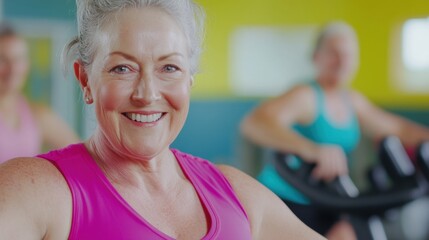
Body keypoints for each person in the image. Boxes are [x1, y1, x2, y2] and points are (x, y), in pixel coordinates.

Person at [0, 1, 324, 239]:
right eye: (122, 68)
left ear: (189, 81)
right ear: (85, 80)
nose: (147, 93)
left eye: (169, 68)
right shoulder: (40, 190)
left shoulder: (237, 193)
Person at [240, 22, 429, 240]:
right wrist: (311, 149)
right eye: (334, 53)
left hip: (326, 200)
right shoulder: (307, 95)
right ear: (316, 57)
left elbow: (399, 128)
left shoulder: (352, 101)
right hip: (285, 200)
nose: (342, 61)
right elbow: (254, 122)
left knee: (353, 231)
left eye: (349, 54)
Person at [0, 23, 79, 163]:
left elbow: (79, 154)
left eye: (18, 59)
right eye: (3, 59)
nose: (13, 69)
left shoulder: (37, 114)